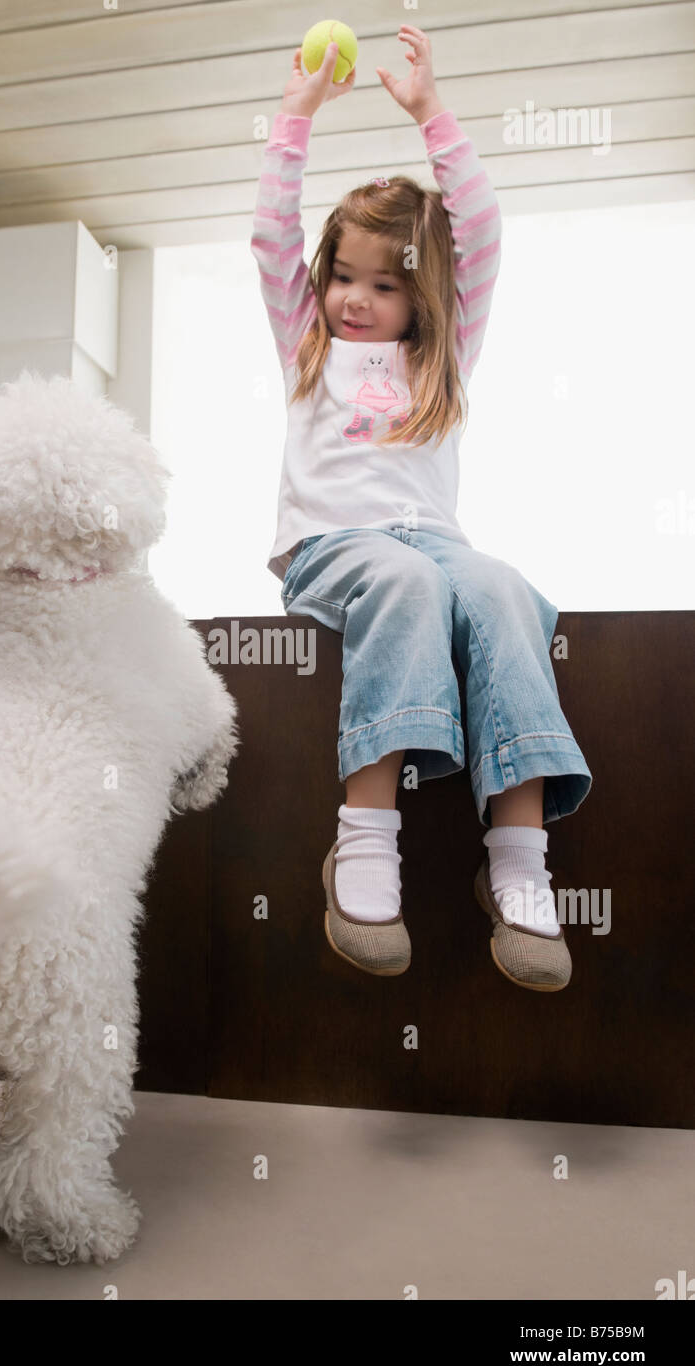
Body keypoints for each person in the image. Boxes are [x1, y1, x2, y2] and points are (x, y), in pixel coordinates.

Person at [250, 25, 592, 990]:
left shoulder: (441, 358)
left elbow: (478, 229)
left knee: (501, 588)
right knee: (402, 580)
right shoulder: (308, 345)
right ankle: (363, 842)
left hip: (438, 544)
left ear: (423, 294)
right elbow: (273, 229)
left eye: (385, 284)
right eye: (342, 277)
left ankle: (519, 862)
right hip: (335, 546)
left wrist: (430, 114)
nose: (356, 299)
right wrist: (299, 114)